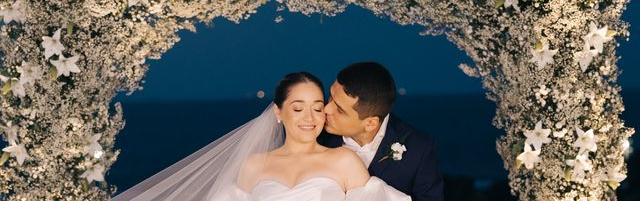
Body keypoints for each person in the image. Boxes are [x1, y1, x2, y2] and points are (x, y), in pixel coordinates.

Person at [111, 71, 410, 200]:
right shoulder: (254, 165)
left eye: (318, 108)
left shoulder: (344, 161)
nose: (309, 118)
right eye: (298, 108)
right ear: (279, 113)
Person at [319, 62, 444, 201]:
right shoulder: (315, 136)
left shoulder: (419, 149)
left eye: (339, 110)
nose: (326, 109)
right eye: (330, 97)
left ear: (370, 124)